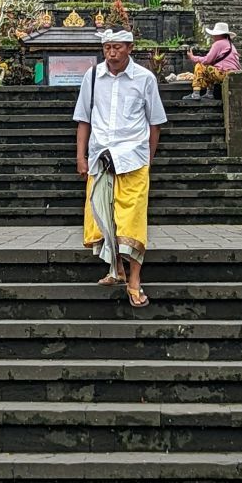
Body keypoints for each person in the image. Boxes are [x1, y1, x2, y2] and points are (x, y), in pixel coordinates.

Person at [75, 29, 166, 309]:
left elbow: (155, 123)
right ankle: (116, 269)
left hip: (133, 158)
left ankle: (134, 280)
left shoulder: (145, 78)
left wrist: (148, 157)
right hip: (101, 156)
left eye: (117, 47)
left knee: (132, 220)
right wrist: (80, 157)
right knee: (102, 216)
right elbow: (83, 119)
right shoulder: (92, 77)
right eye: (107, 48)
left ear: (130, 48)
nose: (111, 53)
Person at [183, 23, 241, 101]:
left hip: (224, 73)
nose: (213, 36)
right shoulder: (229, 44)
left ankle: (196, 93)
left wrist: (193, 57)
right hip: (232, 74)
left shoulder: (218, 44)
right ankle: (209, 93)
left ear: (219, 35)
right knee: (211, 69)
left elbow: (207, 60)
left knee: (199, 66)